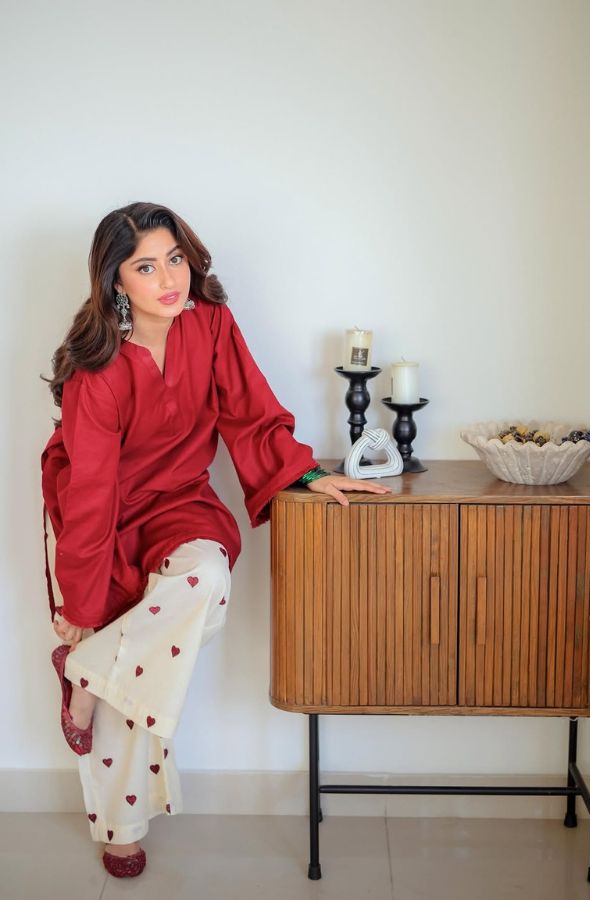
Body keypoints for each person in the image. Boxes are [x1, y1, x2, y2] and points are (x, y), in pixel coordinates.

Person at [40, 201, 391, 878]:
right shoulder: (99, 369)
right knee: (138, 659)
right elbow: (87, 494)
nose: (169, 277)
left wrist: (306, 471)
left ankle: (80, 673)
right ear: (116, 281)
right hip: (102, 516)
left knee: (202, 581)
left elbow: (250, 408)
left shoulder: (211, 324)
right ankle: (119, 827)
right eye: (146, 266)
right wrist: (82, 609)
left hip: (180, 506)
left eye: (175, 258)